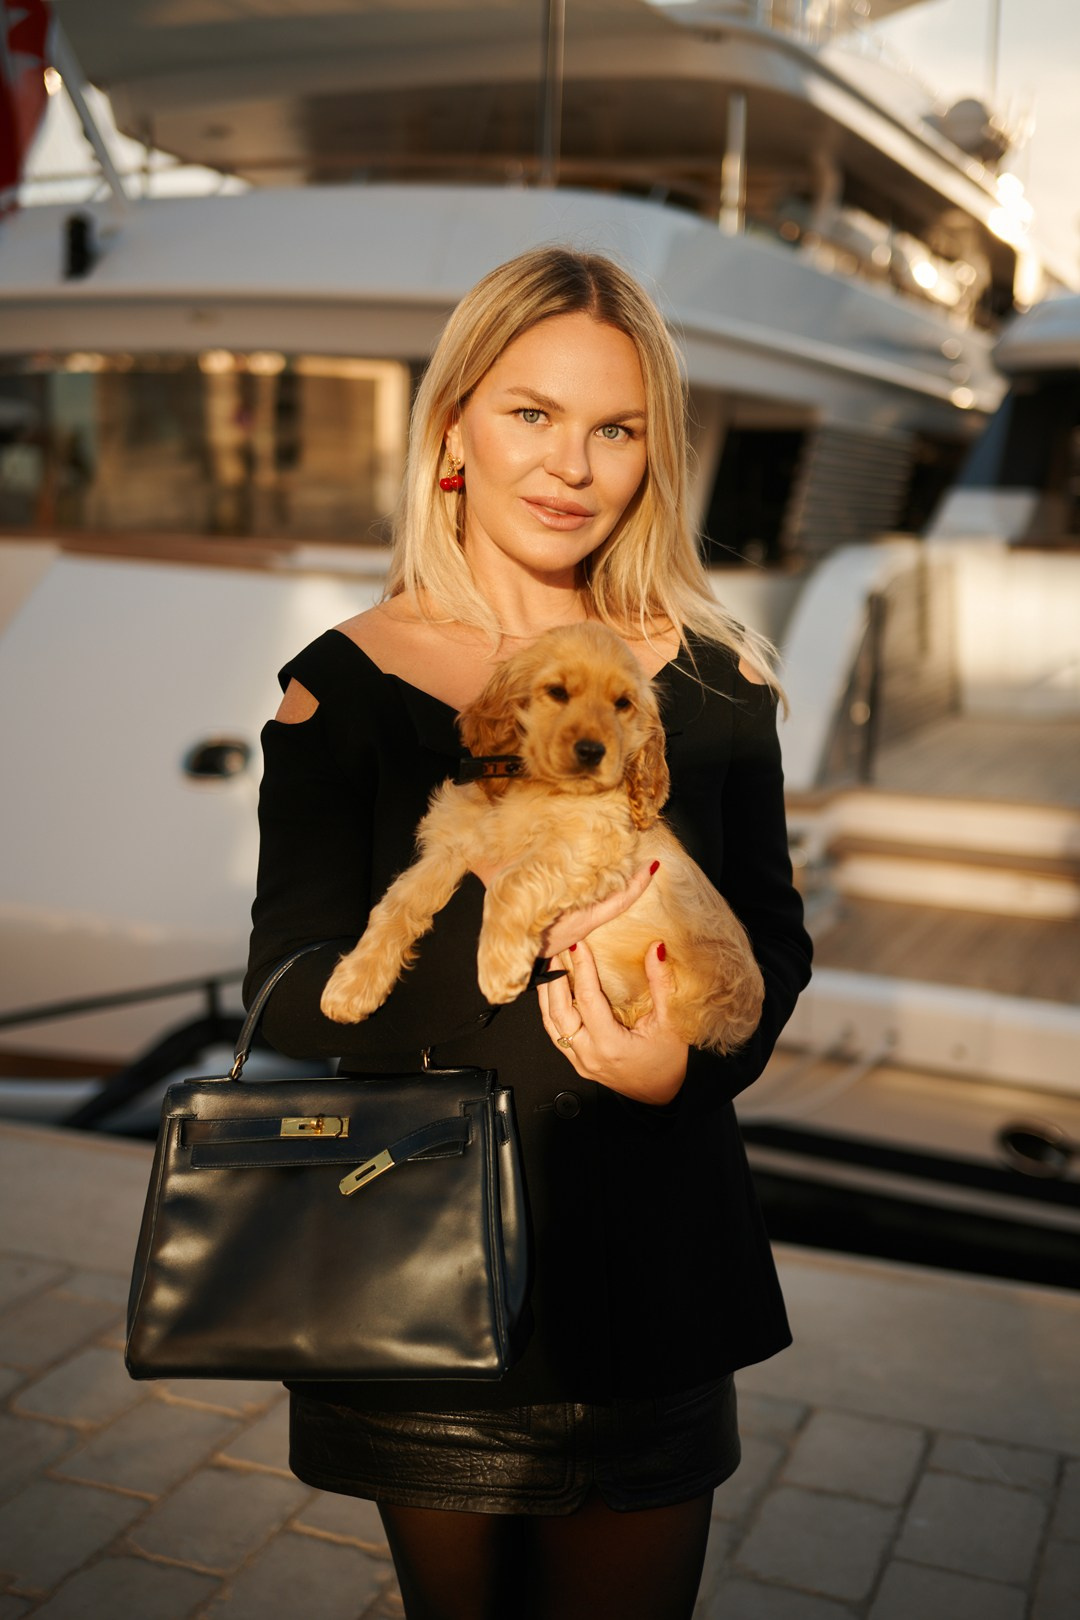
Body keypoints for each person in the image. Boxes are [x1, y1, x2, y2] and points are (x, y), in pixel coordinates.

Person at [244, 246, 812, 1620]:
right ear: (455, 431)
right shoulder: (350, 684)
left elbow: (777, 949)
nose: (573, 465)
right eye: (531, 415)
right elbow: (282, 989)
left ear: (652, 456)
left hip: (663, 1274)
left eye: (616, 429)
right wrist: (541, 917)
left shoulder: (713, 682)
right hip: (426, 1284)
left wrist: (679, 1069)